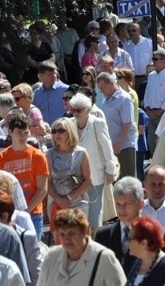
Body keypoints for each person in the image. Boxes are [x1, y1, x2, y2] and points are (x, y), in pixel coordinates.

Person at [34, 208, 126, 286]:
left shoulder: (104, 258)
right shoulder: (51, 256)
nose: (66, 239)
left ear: (85, 231)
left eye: (71, 233)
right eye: (62, 234)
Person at [0, 112, 49, 240]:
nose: (23, 137)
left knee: (32, 252)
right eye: (19, 133)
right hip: (7, 215)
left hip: (33, 213)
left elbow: (43, 190)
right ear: (10, 132)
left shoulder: (38, 156)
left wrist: (24, 213)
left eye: (26, 133)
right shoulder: (1, 158)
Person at [68, 93, 117, 231]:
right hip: (75, 177)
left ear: (88, 110)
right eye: (74, 109)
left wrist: (110, 170)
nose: (75, 113)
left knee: (95, 213)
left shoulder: (97, 123)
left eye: (79, 110)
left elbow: (107, 148)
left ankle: (96, 242)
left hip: (95, 174)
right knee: (79, 214)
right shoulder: (70, 124)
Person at [46, 118, 92, 232]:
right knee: (60, 239)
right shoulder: (48, 154)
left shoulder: (81, 153)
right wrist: (59, 200)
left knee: (78, 238)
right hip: (55, 202)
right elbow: (47, 181)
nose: (57, 134)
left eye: (61, 130)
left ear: (70, 131)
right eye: (54, 131)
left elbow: (88, 181)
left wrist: (69, 197)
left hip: (78, 203)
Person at [95, 176, 144, 275]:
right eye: (118, 205)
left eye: (127, 205)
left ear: (140, 204)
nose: (122, 210)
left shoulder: (151, 234)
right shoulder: (103, 235)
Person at [97, 72, 137, 179]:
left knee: (127, 181)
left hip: (124, 146)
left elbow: (127, 123)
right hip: (112, 145)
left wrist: (119, 143)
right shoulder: (106, 98)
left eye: (103, 87)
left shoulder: (124, 98)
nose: (101, 91)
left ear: (111, 83)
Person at [140, 166, 165, 239]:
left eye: (161, 184)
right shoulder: (137, 210)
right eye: (153, 184)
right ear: (145, 185)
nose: (157, 189)